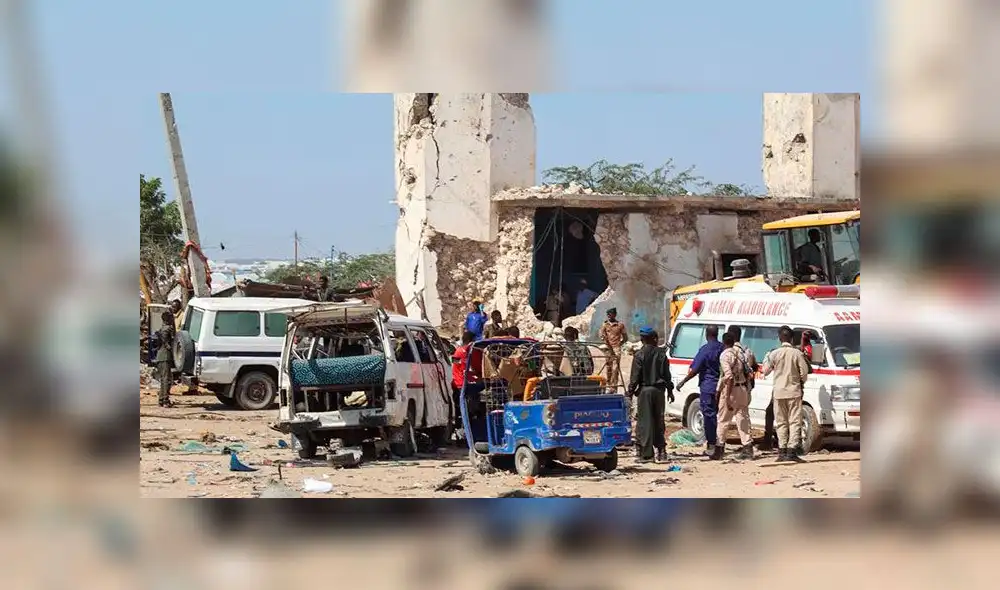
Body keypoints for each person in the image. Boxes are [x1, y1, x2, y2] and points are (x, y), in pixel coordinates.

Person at [761, 325, 811, 462]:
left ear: (779, 338)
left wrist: (767, 358)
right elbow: (804, 373)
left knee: (781, 422)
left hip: (778, 392)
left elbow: (765, 371)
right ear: (792, 338)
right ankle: (791, 451)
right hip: (794, 392)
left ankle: (781, 451)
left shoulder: (774, 354)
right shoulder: (797, 354)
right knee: (794, 422)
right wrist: (799, 382)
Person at [676, 325, 724, 457]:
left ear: (706, 335)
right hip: (723, 387)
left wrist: (683, 381)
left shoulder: (705, 349)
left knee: (709, 416)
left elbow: (695, 369)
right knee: (722, 417)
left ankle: (712, 444)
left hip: (708, 387)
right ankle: (720, 444)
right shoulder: (723, 348)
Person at [628, 326, 673, 463]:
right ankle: (662, 452)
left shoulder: (639, 355)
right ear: (653, 339)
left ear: (642, 339)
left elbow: (635, 378)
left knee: (645, 422)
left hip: (645, 391)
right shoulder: (661, 354)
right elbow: (667, 375)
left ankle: (647, 454)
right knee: (659, 421)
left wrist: (630, 392)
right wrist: (670, 391)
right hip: (659, 391)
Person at [714, 332, 754, 460]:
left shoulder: (725, 355)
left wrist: (725, 397)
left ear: (724, 342)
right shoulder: (742, 353)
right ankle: (748, 447)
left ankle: (719, 449)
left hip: (731, 390)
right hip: (742, 389)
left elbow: (728, 376)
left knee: (723, 420)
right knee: (743, 419)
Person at [598, 308, 627, 392]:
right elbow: (601, 333)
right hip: (608, 348)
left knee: (615, 369)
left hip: (616, 348)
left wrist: (619, 344)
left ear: (614, 314)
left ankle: (614, 387)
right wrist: (603, 338)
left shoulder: (620, 325)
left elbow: (625, 337)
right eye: (607, 314)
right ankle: (608, 384)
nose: (608, 316)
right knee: (608, 367)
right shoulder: (605, 324)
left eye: (610, 314)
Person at [451, 331, 476, 428]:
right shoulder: (464, 351)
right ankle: (463, 428)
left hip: (460, 382)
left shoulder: (460, 351)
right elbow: (462, 367)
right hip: (462, 383)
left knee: (462, 407)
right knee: (466, 407)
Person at [154, 310, 176, 408]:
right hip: (165, 356)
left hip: (160, 356)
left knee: (164, 379)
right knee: (166, 379)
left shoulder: (161, 329)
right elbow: (172, 341)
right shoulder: (168, 329)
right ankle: (165, 400)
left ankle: (162, 399)